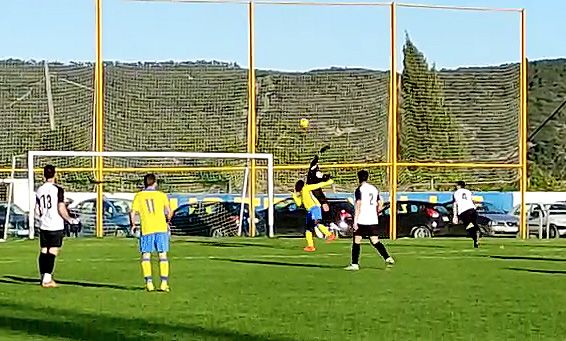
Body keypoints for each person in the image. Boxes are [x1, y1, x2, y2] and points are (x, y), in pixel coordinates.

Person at [35, 165, 78, 288]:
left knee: (44, 250)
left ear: (44, 175)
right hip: (55, 224)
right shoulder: (57, 189)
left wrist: (41, 218)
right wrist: (70, 220)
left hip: (43, 224)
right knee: (53, 250)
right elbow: (60, 208)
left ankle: (43, 276)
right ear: (55, 174)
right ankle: (47, 280)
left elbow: (37, 210)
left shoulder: (39, 190)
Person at [130, 174, 172, 292]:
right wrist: (168, 221)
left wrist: (133, 225)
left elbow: (132, 213)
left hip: (147, 228)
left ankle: (149, 283)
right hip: (161, 228)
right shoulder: (161, 195)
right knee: (162, 254)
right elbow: (169, 211)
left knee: (146, 255)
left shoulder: (139, 196)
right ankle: (164, 283)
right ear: (155, 183)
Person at [345, 170, 394, 271]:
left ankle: (354, 264)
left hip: (362, 219)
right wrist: (376, 212)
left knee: (357, 240)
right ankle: (388, 258)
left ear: (358, 178)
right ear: (367, 177)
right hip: (372, 219)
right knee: (375, 241)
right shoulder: (374, 189)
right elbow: (380, 203)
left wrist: (355, 221)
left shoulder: (360, 189)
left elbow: (358, 204)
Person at [293, 177, 336, 252]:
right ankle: (310, 246)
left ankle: (330, 235)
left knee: (317, 223)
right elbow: (299, 204)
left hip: (315, 208)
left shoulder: (306, 188)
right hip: (310, 211)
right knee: (308, 229)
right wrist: (294, 196)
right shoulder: (302, 193)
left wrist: (328, 182)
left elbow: (318, 185)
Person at [306, 146, 332, 229]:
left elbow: (322, 178)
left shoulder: (317, 173)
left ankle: (327, 223)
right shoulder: (312, 170)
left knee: (325, 204)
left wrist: (326, 178)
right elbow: (315, 159)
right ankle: (318, 224)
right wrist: (321, 151)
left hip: (316, 189)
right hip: (311, 190)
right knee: (317, 206)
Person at [452, 181, 480, 248]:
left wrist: (455, 215)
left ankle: (475, 236)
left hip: (463, 211)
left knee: (468, 226)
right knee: (473, 223)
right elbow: (473, 200)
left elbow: (455, 204)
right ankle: (477, 232)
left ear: (458, 186)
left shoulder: (456, 193)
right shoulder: (468, 192)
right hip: (472, 209)